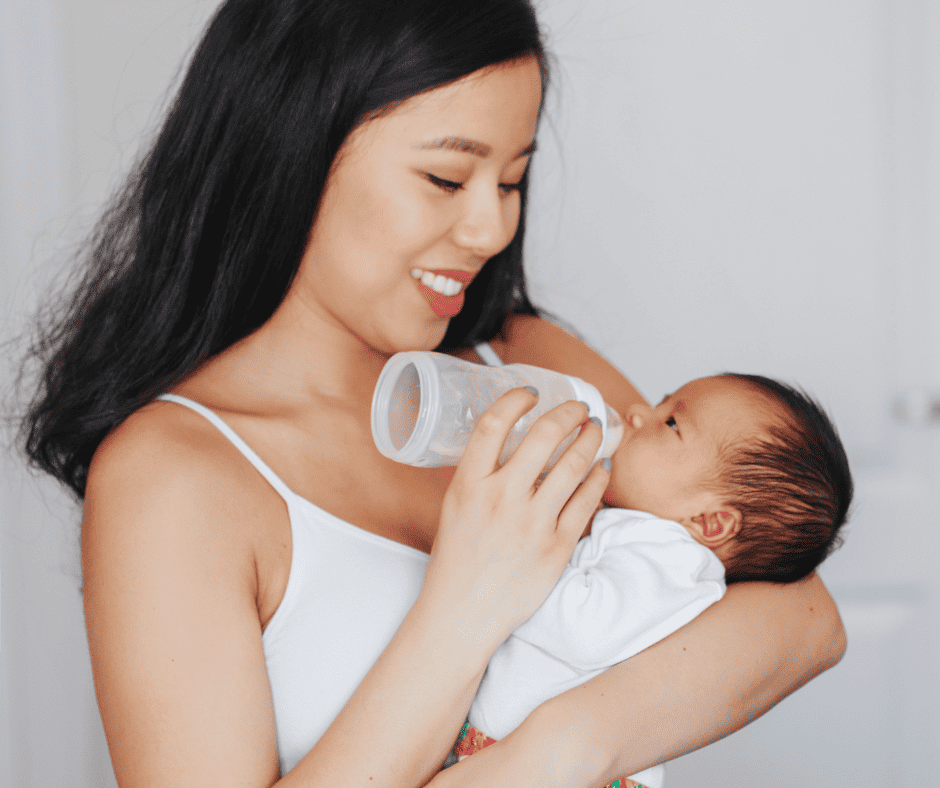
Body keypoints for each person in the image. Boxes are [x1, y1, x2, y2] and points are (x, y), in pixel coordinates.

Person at [20, 1, 846, 786]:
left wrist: (564, 749)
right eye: (448, 179)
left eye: (512, 180)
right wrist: (467, 602)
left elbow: (803, 617)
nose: (490, 230)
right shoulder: (175, 477)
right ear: (293, 147)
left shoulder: (522, 355)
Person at [446, 372, 853, 788]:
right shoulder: (644, 543)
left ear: (709, 522)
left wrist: (509, 567)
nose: (637, 413)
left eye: (671, 423)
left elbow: (588, 631)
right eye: (662, 403)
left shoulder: (670, 561)